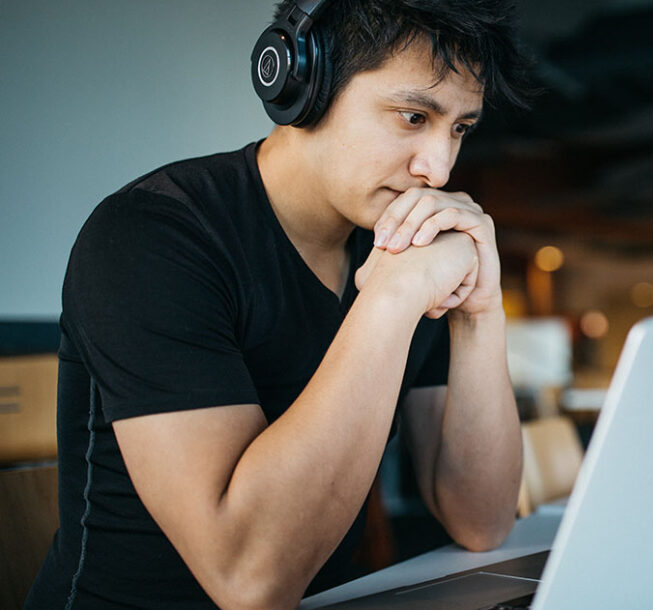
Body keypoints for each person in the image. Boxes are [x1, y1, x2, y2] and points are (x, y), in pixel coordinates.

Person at [25, 0, 534, 608]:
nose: (439, 167)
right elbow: (248, 579)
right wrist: (392, 298)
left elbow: (480, 520)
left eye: (459, 128)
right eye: (411, 116)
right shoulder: (152, 235)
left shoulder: (400, 246)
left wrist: (480, 312)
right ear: (303, 85)